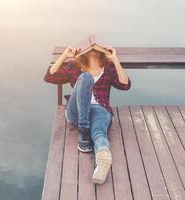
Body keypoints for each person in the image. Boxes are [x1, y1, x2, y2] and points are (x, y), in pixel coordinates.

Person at [43, 46, 131, 184]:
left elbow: (125, 85)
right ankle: (84, 131)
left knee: (99, 133)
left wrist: (115, 59)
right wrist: (65, 55)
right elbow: (49, 76)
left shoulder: (108, 67)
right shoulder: (74, 66)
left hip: (99, 109)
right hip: (76, 111)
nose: (92, 48)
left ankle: (102, 156)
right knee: (86, 77)